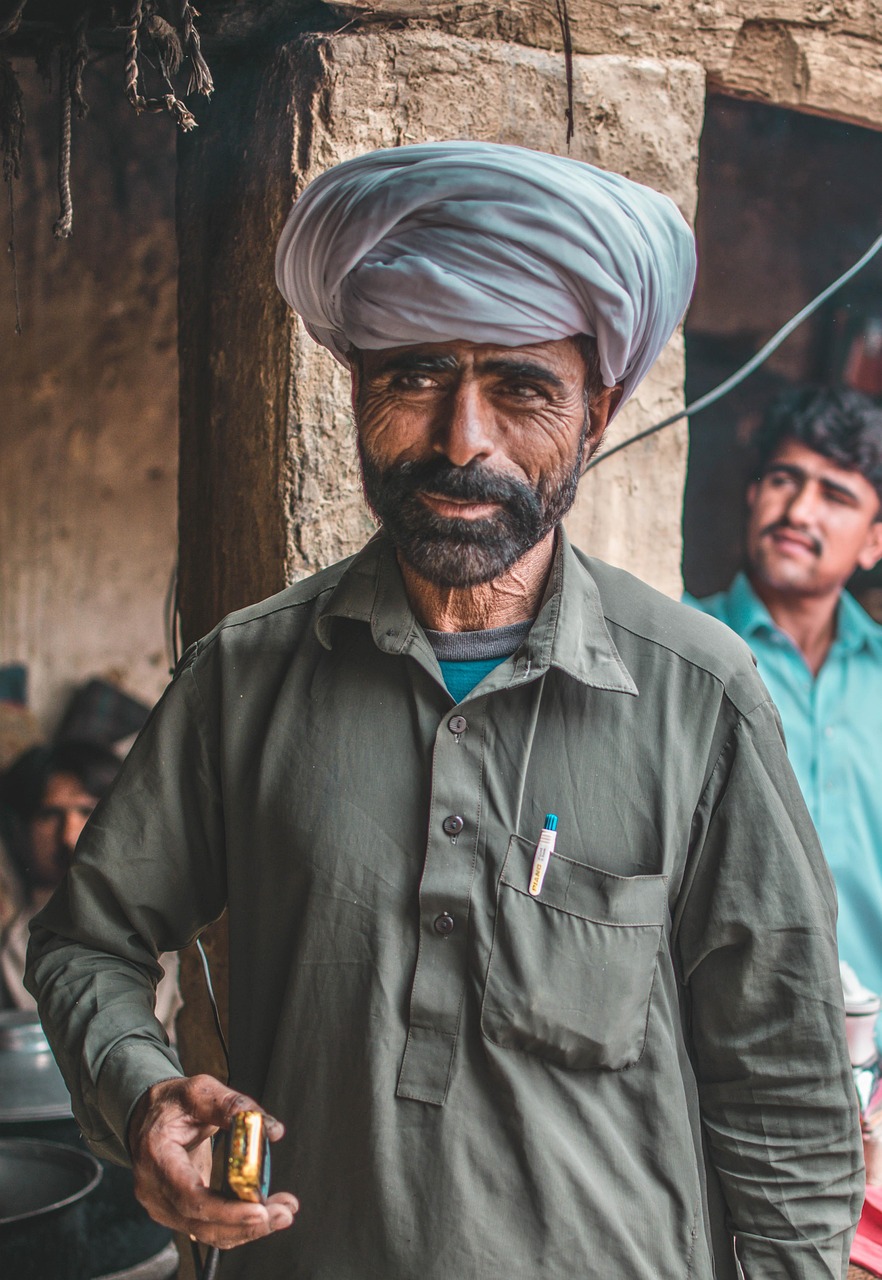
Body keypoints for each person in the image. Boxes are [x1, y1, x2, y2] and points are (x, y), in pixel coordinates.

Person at [27, 142, 862, 1279]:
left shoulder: (697, 696)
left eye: (522, 387)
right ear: (356, 392)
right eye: (415, 376)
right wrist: (141, 1096)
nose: (463, 438)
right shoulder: (247, 675)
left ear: (598, 411)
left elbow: (786, 1095)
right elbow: (87, 940)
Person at [687, 386, 882, 1005]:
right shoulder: (680, 648)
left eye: (836, 496)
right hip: (716, 1036)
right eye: (783, 480)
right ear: (752, 495)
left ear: (875, 542)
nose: (799, 511)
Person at [0, 740, 181, 1028]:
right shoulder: (13, 939)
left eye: (86, 812)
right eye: (49, 815)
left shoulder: (164, 931)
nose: (68, 837)